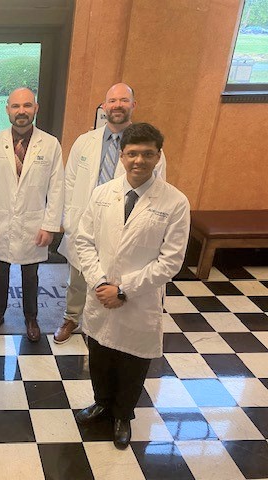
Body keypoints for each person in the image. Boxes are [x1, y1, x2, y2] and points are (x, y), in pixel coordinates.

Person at [74, 123, 190, 449]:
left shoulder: (175, 202)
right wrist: (100, 282)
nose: (139, 160)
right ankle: (102, 403)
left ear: (158, 156)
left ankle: (123, 415)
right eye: (133, 153)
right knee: (99, 355)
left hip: (139, 300)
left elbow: (170, 261)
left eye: (147, 154)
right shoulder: (102, 193)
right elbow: (84, 241)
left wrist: (124, 290)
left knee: (132, 362)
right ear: (122, 155)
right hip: (101, 294)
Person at [55, 83, 167, 344]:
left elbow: (156, 190)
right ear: (104, 106)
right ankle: (72, 317)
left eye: (124, 100)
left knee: (114, 275)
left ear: (133, 105)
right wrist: (69, 221)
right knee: (78, 276)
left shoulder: (147, 148)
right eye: (112, 101)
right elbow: (69, 182)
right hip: (85, 221)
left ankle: (105, 323)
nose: (117, 106)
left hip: (124, 224)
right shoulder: (85, 141)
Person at [0, 87, 64, 342]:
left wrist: (50, 225)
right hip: (0, 221)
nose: (21, 111)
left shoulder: (50, 144)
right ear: (7, 110)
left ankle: (31, 317)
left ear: (36, 108)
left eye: (27, 105)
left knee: (30, 274)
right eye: (16, 106)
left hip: (33, 223)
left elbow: (57, 188)